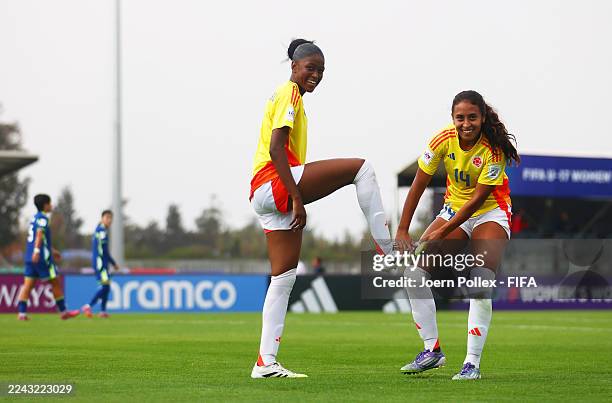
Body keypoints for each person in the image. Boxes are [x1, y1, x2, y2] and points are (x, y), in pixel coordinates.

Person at [249, 39, 393, 378]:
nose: (315, 75)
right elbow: (275, 148)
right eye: (310, 68)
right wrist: (296, 197)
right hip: (276, 181)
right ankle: (386, 249)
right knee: (363, 169)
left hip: (262, 193)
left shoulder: (287, 96)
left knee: (283, 279)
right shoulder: (290, 93)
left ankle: (265, 363)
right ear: (294, 67)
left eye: (321, 71)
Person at [395, 90, 519, 380]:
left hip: (490, 212)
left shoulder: (494, 150)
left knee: (480, 282)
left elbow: (476, 202)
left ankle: (471, 364)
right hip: (453, 210)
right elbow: (417, 185)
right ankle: (432, 350)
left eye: (472, 117)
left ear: (482, 117)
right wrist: (402, 228)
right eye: (460, 118)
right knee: (413, 274)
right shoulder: (441, 140)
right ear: (452, 119)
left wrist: (440, 229)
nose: (466, 123)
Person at [17, 194, 80, 321]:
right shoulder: (43, 218)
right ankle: (63, 312)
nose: (52, 206)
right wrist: (37, 251)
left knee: (28, 285)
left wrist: (52, 250)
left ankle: (22, 313)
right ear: (45, 205)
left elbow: (39, 238)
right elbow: (39, 234)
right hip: (41, 258)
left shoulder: (34, 218)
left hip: (30, 257)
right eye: (50, 203)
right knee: (55, 282)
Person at [81, 210, 119, 318]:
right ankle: (88, 306)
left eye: (111, 218)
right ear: (102, 218)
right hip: (100, 263)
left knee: (106, 286)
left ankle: (103, 311)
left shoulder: (99, 230)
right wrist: (113, 263)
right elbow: (104, 250)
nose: (109, 220)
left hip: (100, 262)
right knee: (105, 286)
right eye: (107, 217)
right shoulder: (102, 231)